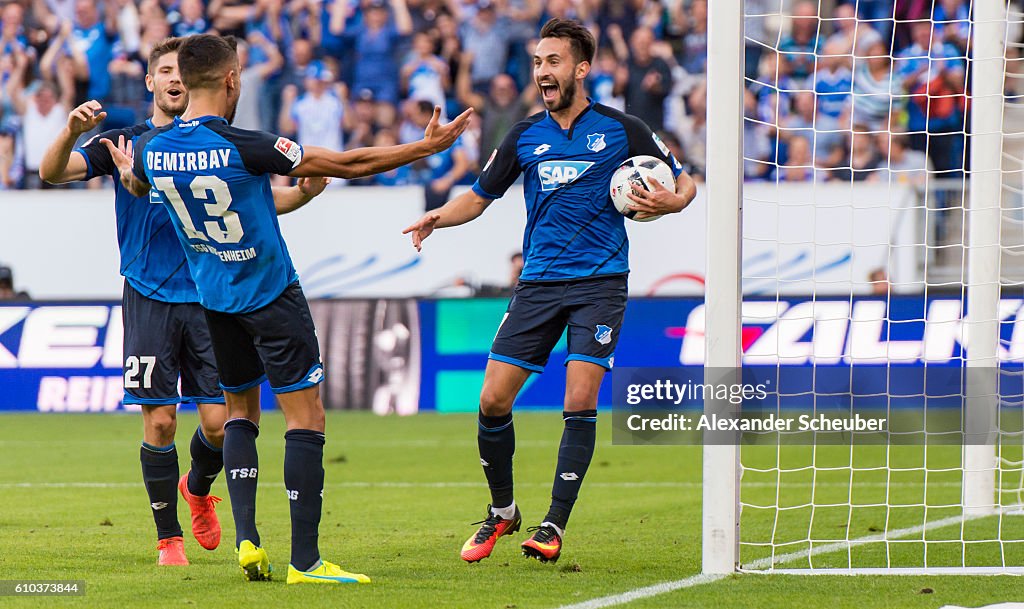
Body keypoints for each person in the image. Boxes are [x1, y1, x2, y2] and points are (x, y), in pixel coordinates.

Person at [105, 33, 470, 584]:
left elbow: (139, 185)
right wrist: (424, 148)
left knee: (239, 416)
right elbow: (349, 162)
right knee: (306, 417)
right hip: (271, 295)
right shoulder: (248, 145)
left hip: (216, 302)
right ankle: (306, 560)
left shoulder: (154, 151)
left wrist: (129, 175)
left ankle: (249, 540)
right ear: (231, 80)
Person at [403, 18, 695, 565]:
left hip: (600, 283)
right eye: (537, 62)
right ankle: (503, 511)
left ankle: (553, 525)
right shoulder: (523, 135)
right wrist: (438, 217)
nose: (542, 72)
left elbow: (683, 180)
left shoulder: (622, 128)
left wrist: (673, 202)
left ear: (581, 69)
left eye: (553, 62)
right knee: (491, 400)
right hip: (537, 284)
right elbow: (479, 196)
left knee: (579, 399)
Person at [37, 37, 328, 567]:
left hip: (209, 295)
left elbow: (252, 209)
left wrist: (303, 195)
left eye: (180, 71)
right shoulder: (126, 142)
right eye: (163, 71)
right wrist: (72, 132)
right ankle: (168, 537)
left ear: (194, 81)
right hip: (148, 293)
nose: (173, 79)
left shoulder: (215, 142)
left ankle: (198, 487)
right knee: (162, 423)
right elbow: (52, 173)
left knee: (219, 425)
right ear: (150, 81)